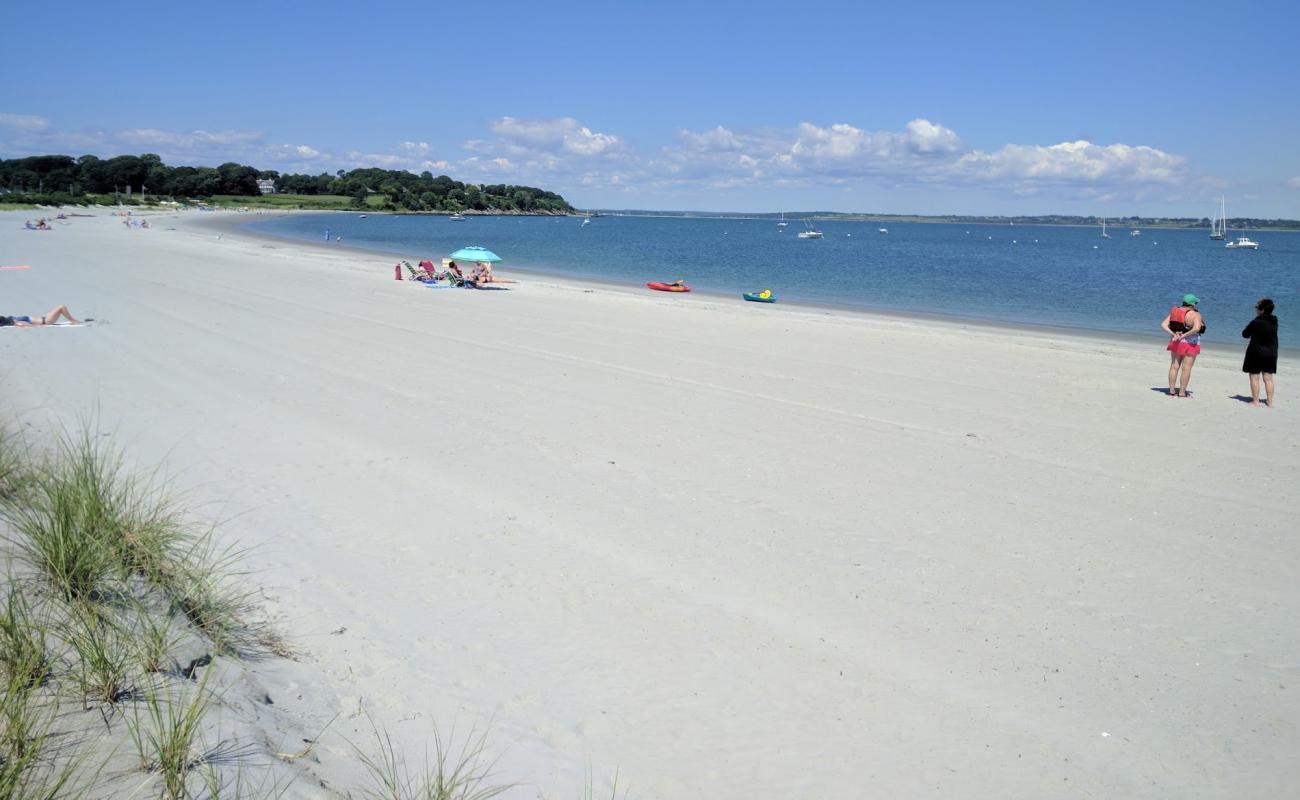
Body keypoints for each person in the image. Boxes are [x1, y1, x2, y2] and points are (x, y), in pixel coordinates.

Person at [1161, 293, 1204, 397]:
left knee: (1174, 366)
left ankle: (1171, 391)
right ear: (1193, 304)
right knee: (1186, 368)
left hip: (1175, 341)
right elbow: (1197, 328)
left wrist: (1174, 334)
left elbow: (1163, 325)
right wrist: (1184, 335)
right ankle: (1182, 392)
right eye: (1195, 303)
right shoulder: (1195, 314)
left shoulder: (1176, 311)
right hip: (1190, 343)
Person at [1241, 298, 1278, 408]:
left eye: (1257, 307)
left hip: (1256, 353)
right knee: (1268, 378)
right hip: (1271, 353)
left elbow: (1245, 334)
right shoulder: (1274, 321)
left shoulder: (1256, 322)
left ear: (1262, 310)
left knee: (1254, 377)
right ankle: (1270, 402)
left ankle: (1256, 401)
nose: (1256, 309)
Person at [1, 305, 82, 327]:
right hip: (45, 321)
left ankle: (73, 320)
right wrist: (36, 326)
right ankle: (73, 321)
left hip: (43, 318)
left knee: (60, 307)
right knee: (62, 307)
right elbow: (21, 324)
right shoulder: (14, 321)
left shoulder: (10, 319)